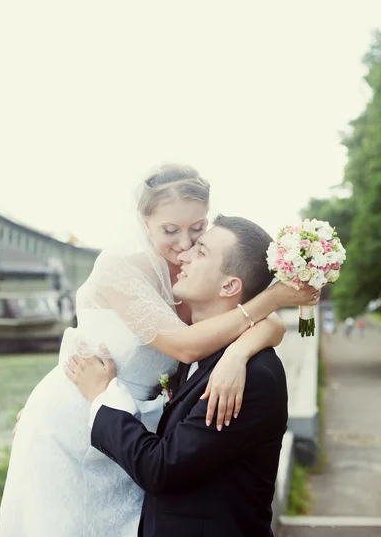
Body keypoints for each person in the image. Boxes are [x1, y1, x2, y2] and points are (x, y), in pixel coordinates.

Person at [0, 164, 319, 537]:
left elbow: (269, 324)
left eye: (197, 230)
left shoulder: (194, 276)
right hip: (79, 416)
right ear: (144, 222)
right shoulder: (122, 270)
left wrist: (237, 354)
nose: (184, 244)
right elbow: (185, 347)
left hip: (131, 429)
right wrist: (274, 296)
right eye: (170, 230)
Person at [67, 215, 317, 537]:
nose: (183, 254)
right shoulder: (196, 350)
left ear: (229, 286)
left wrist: (102, 397)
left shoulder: (249, 378)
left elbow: (161, 468)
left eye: (200, 252)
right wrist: (65, 407)